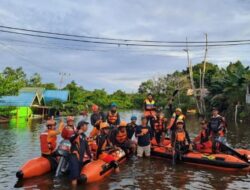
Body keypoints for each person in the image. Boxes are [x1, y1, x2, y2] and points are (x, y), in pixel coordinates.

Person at [68, 120, 92, 186]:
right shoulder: (75, 133)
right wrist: (77, 133)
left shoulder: (84, 136)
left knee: (78, 176)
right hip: (74, 157)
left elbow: (87, 149)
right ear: (81, 126)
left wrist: (91, 157)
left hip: (80, 159)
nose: (87, 127)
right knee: (74, 177)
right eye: (86, 125)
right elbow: (71, 139)